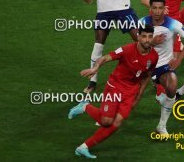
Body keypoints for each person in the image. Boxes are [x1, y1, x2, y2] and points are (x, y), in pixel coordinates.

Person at [68, 24, 158, 159]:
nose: (147, 40)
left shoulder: (154, 56)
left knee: (117, 123)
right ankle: (85, 106)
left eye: (150, 37)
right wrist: (95, 68)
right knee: (106, 122)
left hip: (130, 92)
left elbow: (146, 76)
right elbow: (105, 57)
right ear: (138, 37)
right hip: (115, 86)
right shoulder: (127, 50)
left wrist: (138, 96)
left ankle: (83, 147)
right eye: (144, 36)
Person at [140, 0, 184, 134]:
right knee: (133, 95)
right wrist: (151, 42)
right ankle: (107, 114)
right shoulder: (141, 23)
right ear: (150, 9)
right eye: (154, 8)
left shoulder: (173, 23)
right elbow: (136, 46)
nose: (157, 12)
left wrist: (179, 59)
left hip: (163, 65)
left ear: (164, 9)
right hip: (143, 64)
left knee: (172, 86)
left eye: (160, 8)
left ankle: (161, 125)